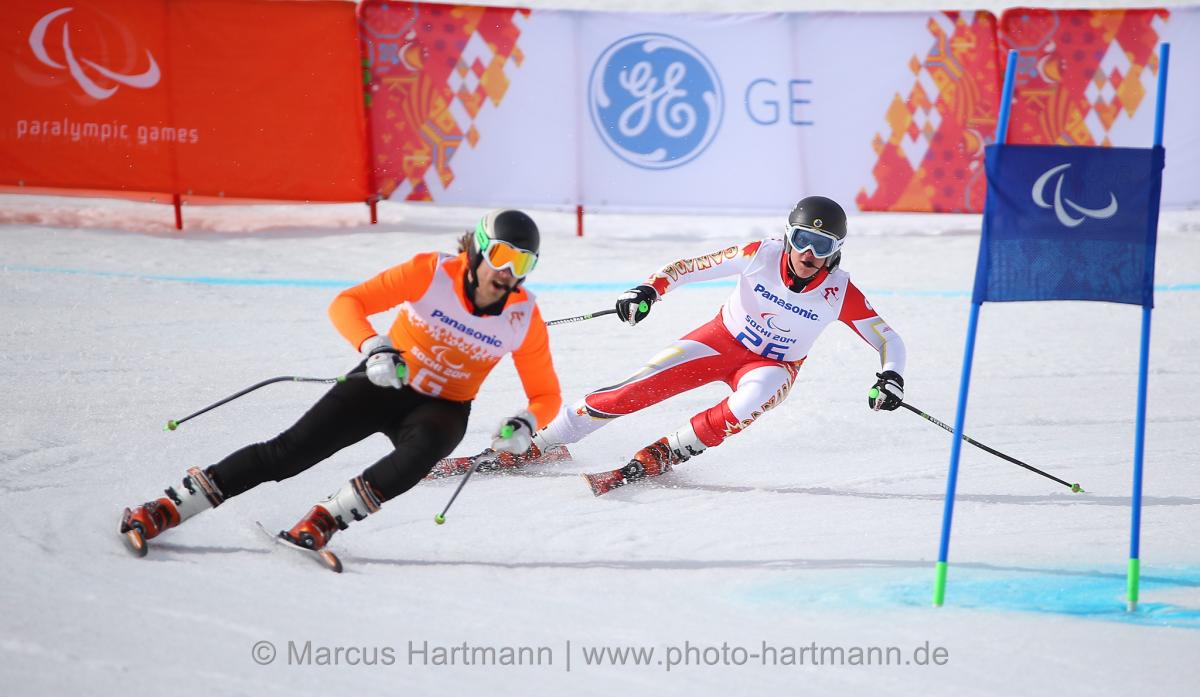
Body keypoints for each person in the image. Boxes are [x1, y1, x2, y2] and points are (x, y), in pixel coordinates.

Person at [120, 209, 562, 550]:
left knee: (419, 458)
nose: (509, 271)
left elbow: (546, 394)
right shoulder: (431, 272)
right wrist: (374, 346)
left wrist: (526, 424)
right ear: (481, 248)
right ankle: (169, 507)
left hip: (443, 406)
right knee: (287, 455)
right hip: (387, 381)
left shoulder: (524, 316)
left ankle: (323, 521)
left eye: (524, 262)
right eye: (503, 255)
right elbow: (347, 303)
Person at [470, 196, 906, 494]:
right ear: (788, 236)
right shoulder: (761, 254)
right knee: (632, 389)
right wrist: (647, 291)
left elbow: (888, 338)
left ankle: (667, 451)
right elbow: (686, 267)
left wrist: (891, 376)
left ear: (836, 251)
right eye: (802, 239)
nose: (808, 253)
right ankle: (540, 444)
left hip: (773, 367)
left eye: (821, 245)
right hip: (719, 341)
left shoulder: (839, 292)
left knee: (751, 399)